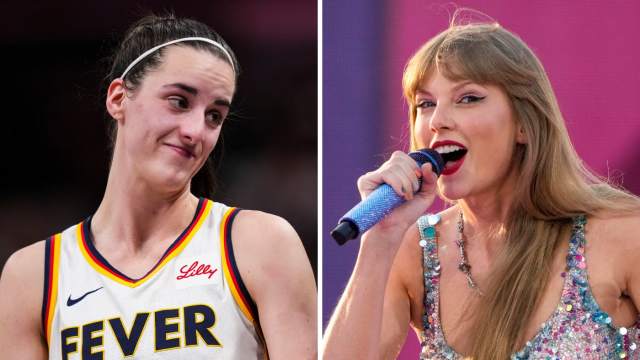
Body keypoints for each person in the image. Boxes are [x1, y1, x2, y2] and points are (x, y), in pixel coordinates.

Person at [0, 15, 316, 359]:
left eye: (214, 116)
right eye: (179, 101)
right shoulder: (32, 276)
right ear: (118, 98)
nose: (196, 130)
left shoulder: (260, 244)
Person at [322, 20, 640, 359]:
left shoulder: (621, 232)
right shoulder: (415, 251)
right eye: (425, 104)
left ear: (524, 123)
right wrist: (379, 242)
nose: (437, 120)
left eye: (468, 98)